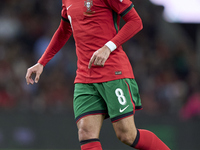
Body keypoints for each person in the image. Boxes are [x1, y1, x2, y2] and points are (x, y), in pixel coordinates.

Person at [26, 0, 170, 149]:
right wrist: (42, 62)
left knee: (127, 135)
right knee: (85, 132)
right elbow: (64, 30)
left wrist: (108, 47)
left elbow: (136, 21)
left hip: (113, 72)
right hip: (84, 77)